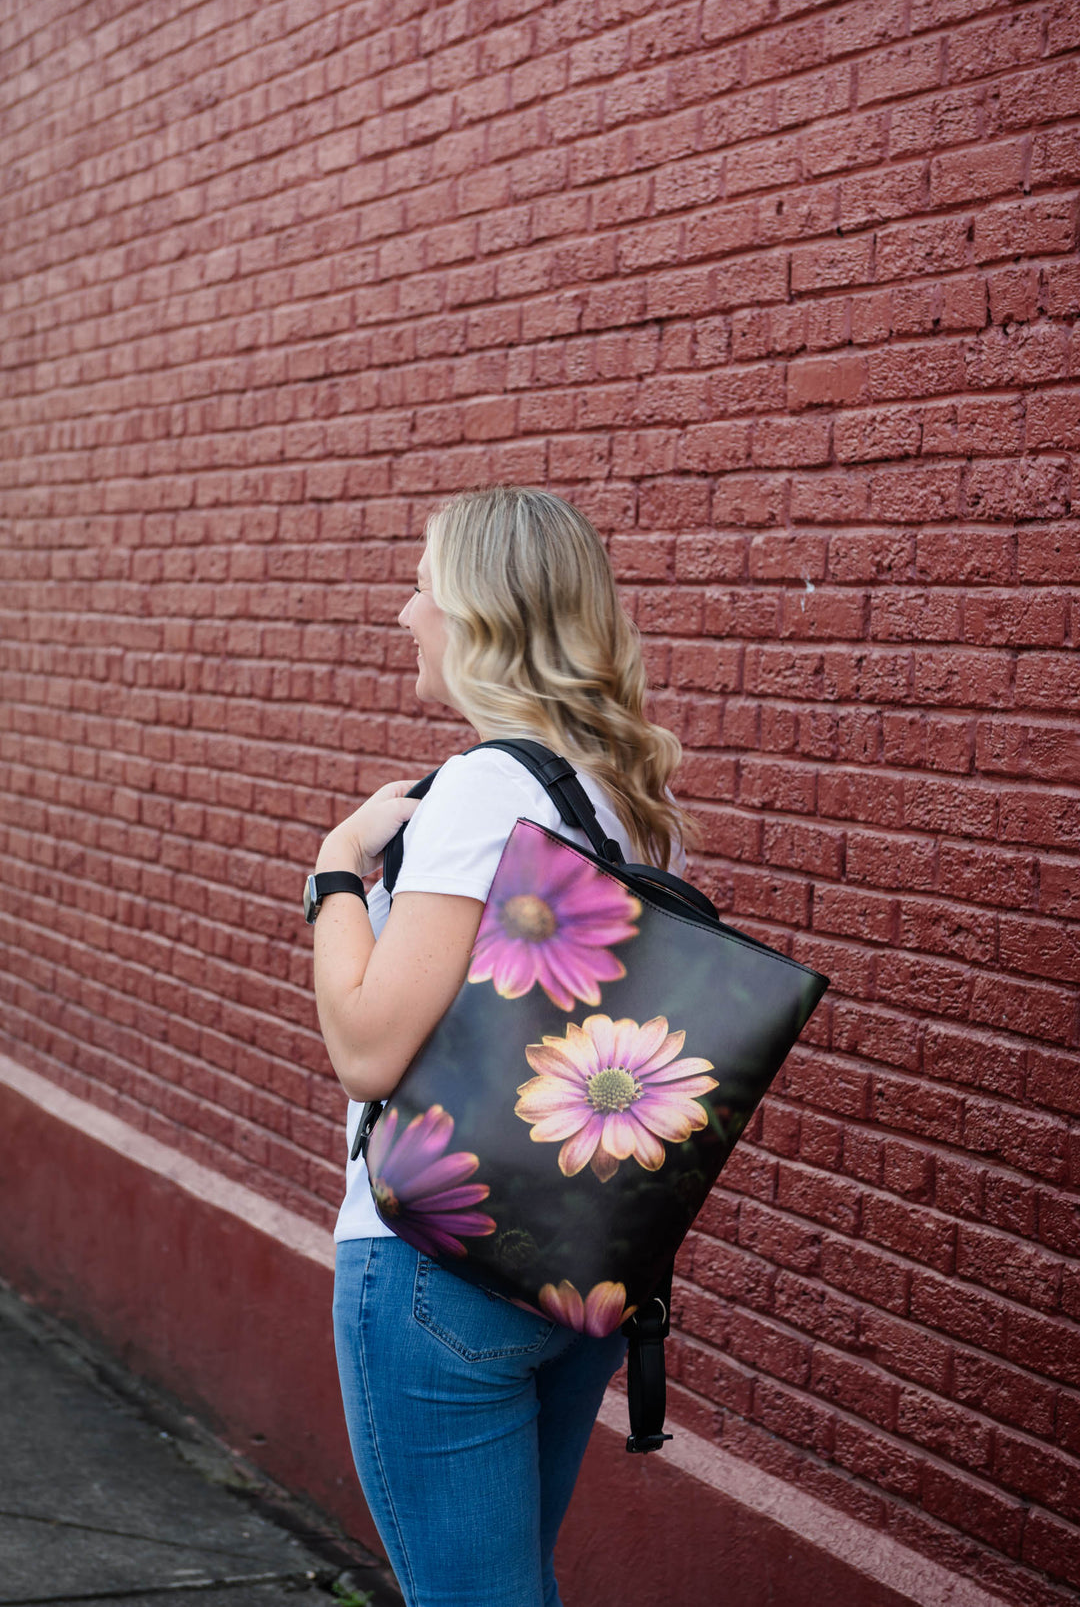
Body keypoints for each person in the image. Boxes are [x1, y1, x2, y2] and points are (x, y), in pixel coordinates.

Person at [311, 486, 693, 1607]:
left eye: (423, 585)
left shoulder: (482, 790)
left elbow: (370, 1051)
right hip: (567, 1266)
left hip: (435, 1263)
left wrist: (335, 872)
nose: (403, 613)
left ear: (480, 613)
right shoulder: (617, 789)